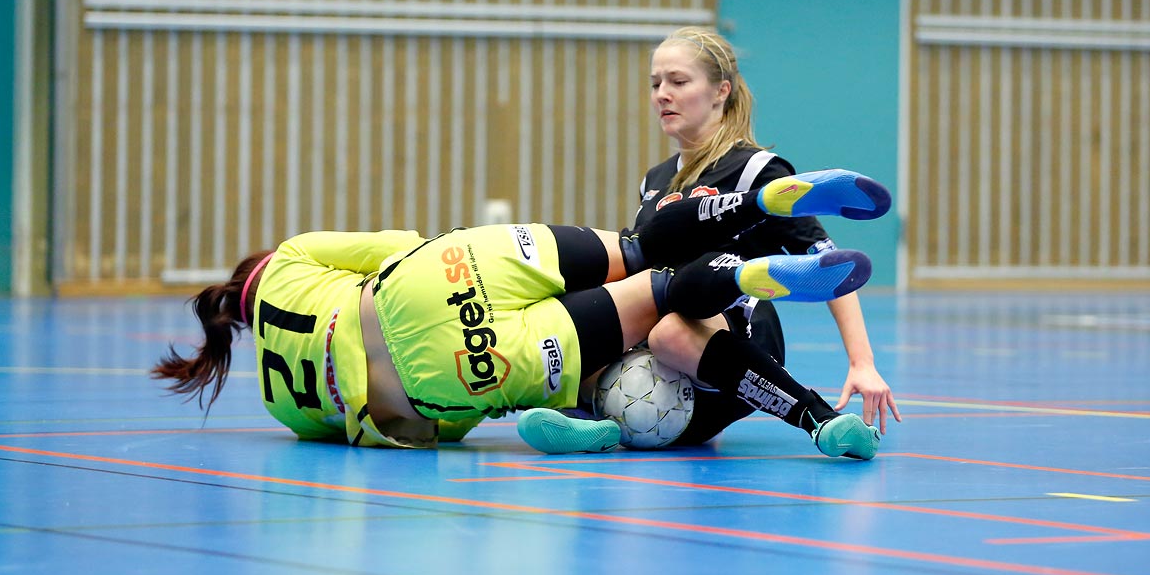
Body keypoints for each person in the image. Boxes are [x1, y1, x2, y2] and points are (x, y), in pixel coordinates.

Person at [151, 168, 891, 459]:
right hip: (428, 282)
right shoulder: (291, 258)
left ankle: (815, 407)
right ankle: (758, 225)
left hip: (445, 376)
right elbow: (397, 246)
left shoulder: (282, 404)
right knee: (644, 263)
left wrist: (480, 401)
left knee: (648, 311)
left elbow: (402, 430)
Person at [515, 26, 902, 453]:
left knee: (670, 332)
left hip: (736, 326)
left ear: (721, 91)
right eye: (655, 83)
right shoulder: (655, 180)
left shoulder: (756, 169)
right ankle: (595, 423)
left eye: (678, 82)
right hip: (666, 344)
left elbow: (828, 265)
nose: (662, 93)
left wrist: (862, 362)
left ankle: (820, 420)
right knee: (579, 323)